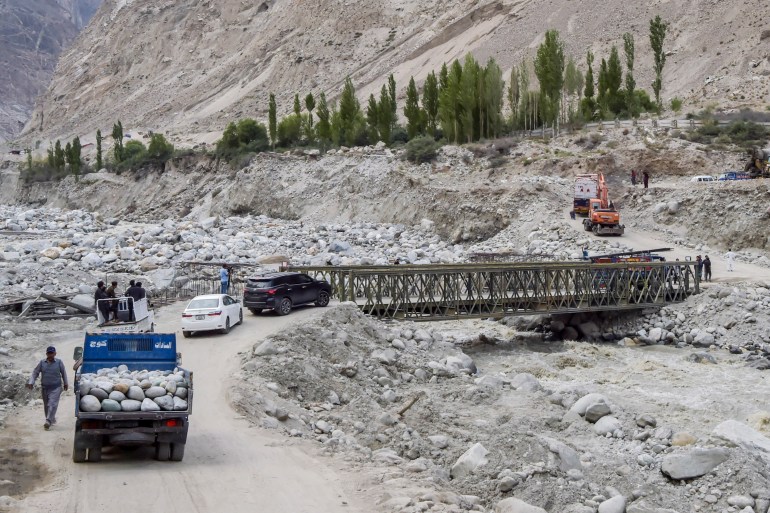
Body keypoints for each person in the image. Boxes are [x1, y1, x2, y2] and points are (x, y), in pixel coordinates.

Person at [27, 346, 68, 430]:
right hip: (45, 388)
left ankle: (48, 421)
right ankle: (51, 419)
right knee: (46, 405)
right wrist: (31, 382)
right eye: (49, 353)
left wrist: (66, 383)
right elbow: (35, 372)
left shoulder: (59, 362)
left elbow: (64, 373)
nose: (50, 355)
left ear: (55, 353)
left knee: (52, 404)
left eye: (52, 353)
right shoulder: (42, 363)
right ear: (46, 354)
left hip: (56, 387)